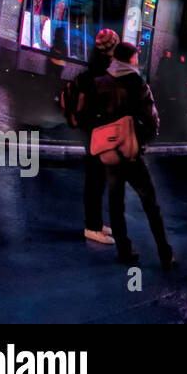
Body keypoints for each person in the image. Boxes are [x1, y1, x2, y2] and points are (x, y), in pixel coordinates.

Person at [79, 42, 173, 269]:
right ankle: (164, 252)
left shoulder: (100, 82)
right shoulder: (138, 83)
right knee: (150, 202)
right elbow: (152, 120)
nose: (137, 61)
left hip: (109, 153)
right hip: (131, 152)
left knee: (115, 203)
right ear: (130, 60)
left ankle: (125, 251)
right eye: (135, 57)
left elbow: (88, 117)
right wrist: (142, 142)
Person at [59, 28, 120, 245]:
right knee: (96, 178)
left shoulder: (95, 66)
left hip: (91, 127)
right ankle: (92, 227)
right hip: (97, 128)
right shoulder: (104, 70)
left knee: (97, 177)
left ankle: (95, 222)